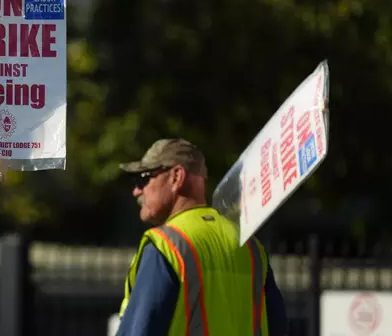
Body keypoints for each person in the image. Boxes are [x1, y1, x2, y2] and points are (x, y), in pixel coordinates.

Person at [116, 138, 288, 336]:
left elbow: (139, 330)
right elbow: (278, 328)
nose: (137, 190)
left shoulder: (167, 245)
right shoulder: (251, 247)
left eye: (144, 179)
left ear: (176, 177)